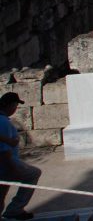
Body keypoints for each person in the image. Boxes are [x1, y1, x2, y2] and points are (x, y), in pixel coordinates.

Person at [0, 92, 40, 220]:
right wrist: (13, 167)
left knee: (1, 194)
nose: (15, 109)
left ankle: (13, 210)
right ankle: (15, 209)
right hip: (6, 163)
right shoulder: (4, 123)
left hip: (5, 163)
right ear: (11, 105)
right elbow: (3, 150)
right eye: (16, 105)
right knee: (33, 174)